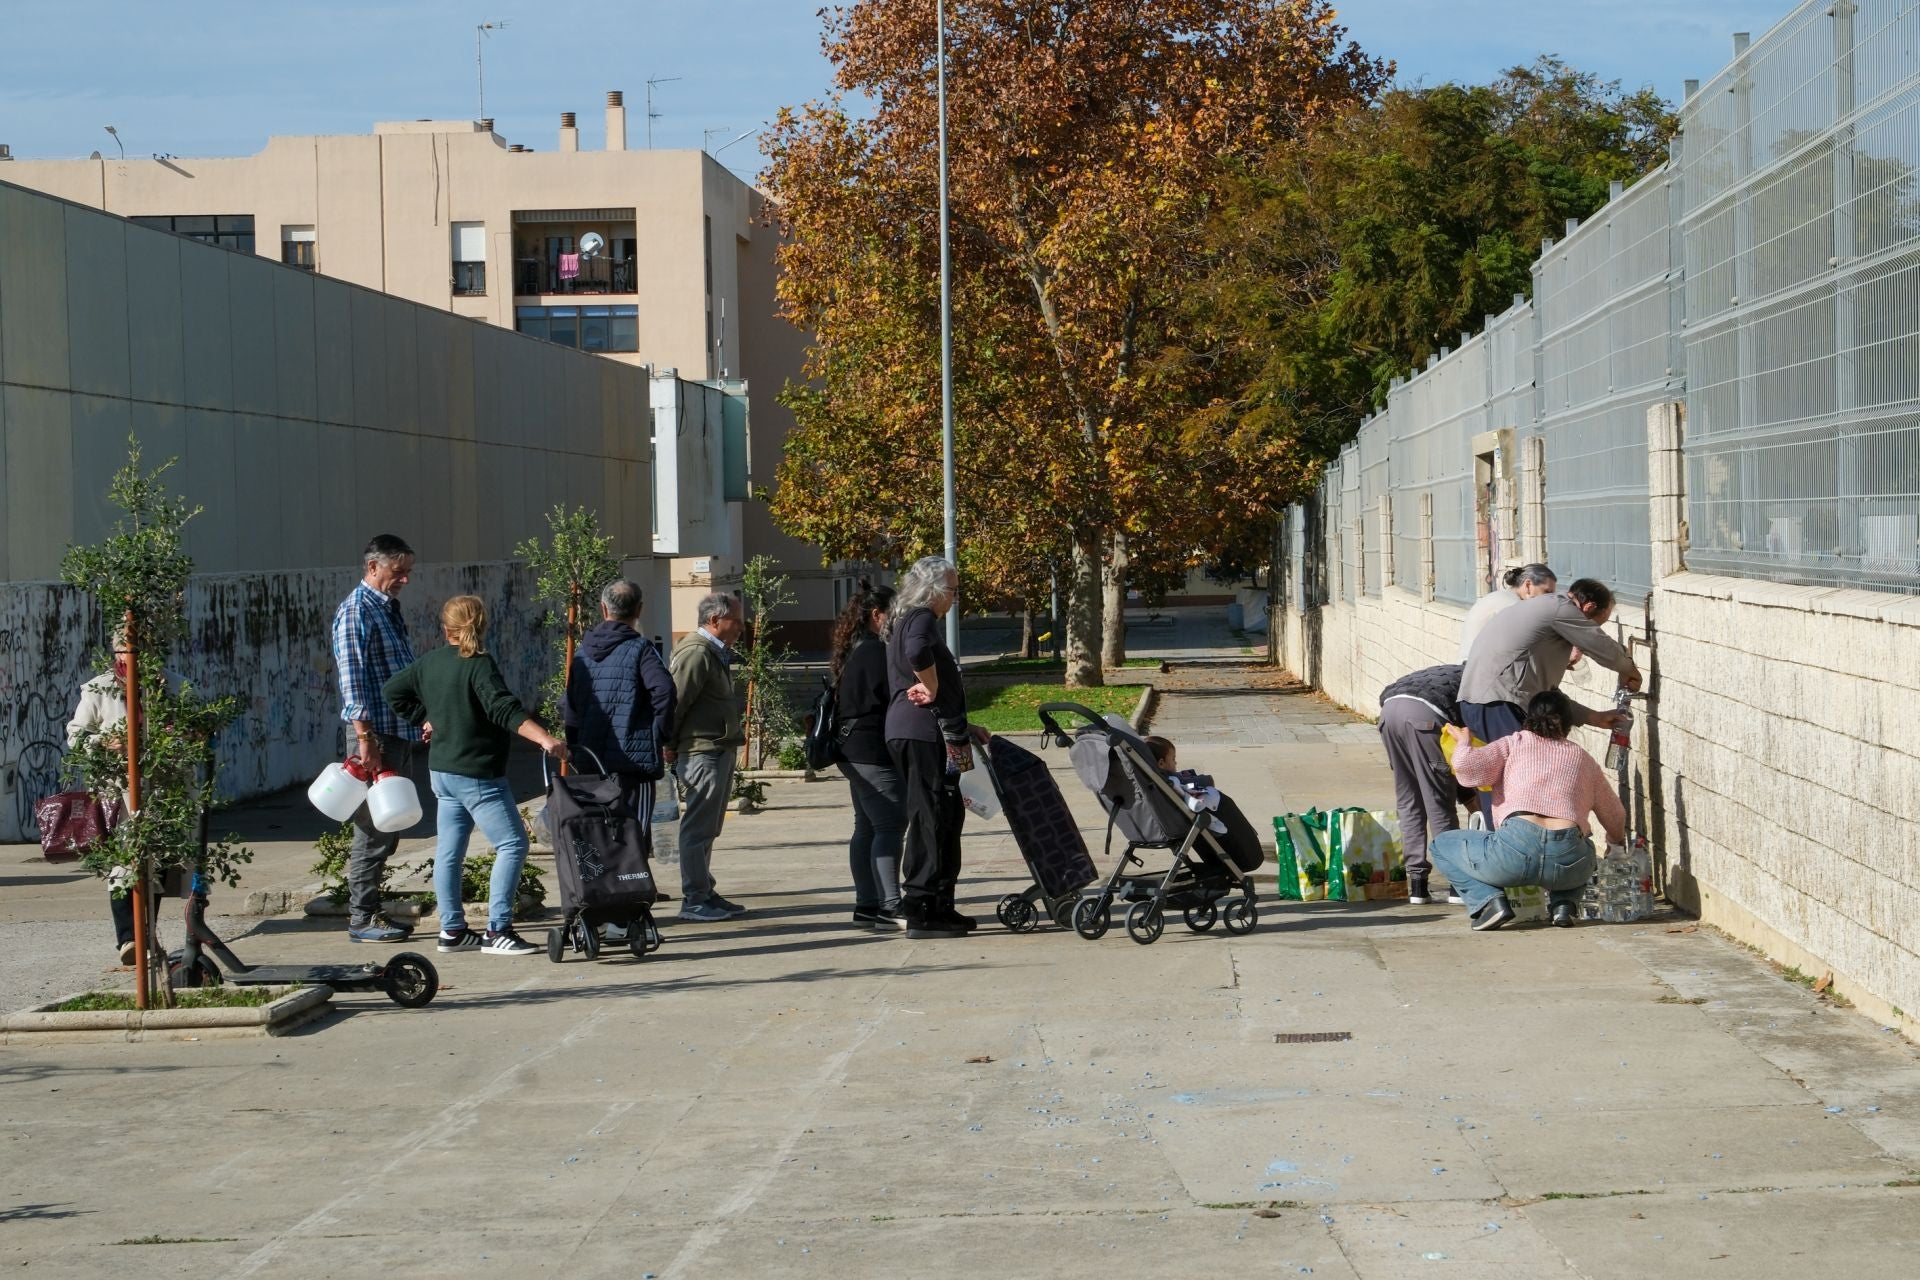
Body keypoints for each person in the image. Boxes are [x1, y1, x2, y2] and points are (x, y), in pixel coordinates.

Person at [383, 596, 567, 955]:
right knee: (513, 844)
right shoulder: (479, 664)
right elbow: (504, 710)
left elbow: (393, 691)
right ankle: (498, 930)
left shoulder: (430, 662)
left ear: (445, 628)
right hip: (477, 774)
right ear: (482, 625)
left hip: (442, 772)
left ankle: (452, 930)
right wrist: (546, 739)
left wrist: (424, 718)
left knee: (449, 851)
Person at [1431, 689, 1626, 931]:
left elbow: (1468, 770)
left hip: (1512, 854)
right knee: (1585, 847)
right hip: (1568, 864)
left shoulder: (1514, 743)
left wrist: (1463, 743)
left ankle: (1489, 903)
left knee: (1440, 845)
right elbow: (1615, 813)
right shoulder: (1583, 758)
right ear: (1568, 724)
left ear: (1529, 718)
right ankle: (1564, 905)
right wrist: (1616, 843)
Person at [1456, 577, 1640, 822]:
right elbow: (1599, 644)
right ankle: (1509, 840)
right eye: (1596, 624)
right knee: (1517, 783)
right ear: (1588, 608)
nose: (1589, 631)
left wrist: (1593, 717)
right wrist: (1629, 669)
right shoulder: (1560, 608)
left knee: (1499, 780)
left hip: (1482, 701)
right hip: (1498, 703)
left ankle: (1501, 837)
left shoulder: (1541, 614)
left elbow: (1544, 695)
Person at [885, 556, 989, 939]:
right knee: (933, 816)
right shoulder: (921, 617)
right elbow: (917, 652)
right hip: (925, 734)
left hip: (925, 731)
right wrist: (931, 687)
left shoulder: (904, 618)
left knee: (945, 814)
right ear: (933, 590)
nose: (955, 599)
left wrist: (965, 724)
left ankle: (939, 903)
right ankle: (923, 907)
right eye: (953, 591)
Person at [330, 534, 426, 943]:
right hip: (376, 736)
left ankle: (371, 909)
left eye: (408, 572)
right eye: (397, 571)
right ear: (373, 567)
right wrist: (365, 738)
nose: (404, 579)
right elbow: (352, 680)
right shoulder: (357, 611)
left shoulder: (385, 608)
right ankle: (361, 917)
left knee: (390, 825)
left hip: (395, 731)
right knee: (373, 831)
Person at [64, 638, 178, 963]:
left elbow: (196, 728)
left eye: (143, 649)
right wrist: (104, 741)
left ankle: (147, 933)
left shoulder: (173, 685)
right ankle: (129, 939)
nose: (136, 656)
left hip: (161, 789)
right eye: (128, 649)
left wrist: (178, 735)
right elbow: (76, 735)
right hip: (119, 792)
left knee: (158, 862)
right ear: (118, 653)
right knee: (124, 863)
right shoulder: (99, 688)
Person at [665, 592, 750, 922]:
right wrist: (668, 743)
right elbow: (675, 702)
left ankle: (704, 890)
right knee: (697, 827)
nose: (741, 627)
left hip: (718, 749)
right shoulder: (696, 652)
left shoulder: (714, 651)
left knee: (709, 827)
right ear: (715, 620)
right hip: (702, 751)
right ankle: (695, 899)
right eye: (736, 621)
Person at [831, 584, 906, 931]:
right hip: (871, 752)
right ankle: (889, 906)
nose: (899, 621)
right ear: (877, 615)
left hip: (852, 750)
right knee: (890, 824)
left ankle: (867, 905)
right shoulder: (876, 651)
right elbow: (894, 697)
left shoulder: (854, 649)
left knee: (866, 827)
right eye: (896, 614)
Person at [1376, 664, 1476, 905]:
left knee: (1409, 801)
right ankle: (1456, 883)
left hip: (1389, 715)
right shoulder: (1478, 684)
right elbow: (1468, 756)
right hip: (1424, 719)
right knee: (1439, 803)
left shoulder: (1447, 674)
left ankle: (1417, 885)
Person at [1458, 564, 1557, 662]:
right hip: (1477, 667)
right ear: (1528, 585)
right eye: (1547, 592)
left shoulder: (1501, 597)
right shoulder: (1513, 605)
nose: (1550, 599)